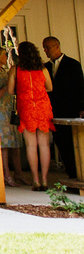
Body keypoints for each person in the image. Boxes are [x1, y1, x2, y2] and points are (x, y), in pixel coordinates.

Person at [11, 40, 55, 191]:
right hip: (42, 107)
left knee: (31, 145)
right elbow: (50, 87)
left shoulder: (16, 69)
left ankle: (35, 180)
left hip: (26, 107)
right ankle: (44, 180)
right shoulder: (42, 68)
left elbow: (11, 90)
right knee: (44, 145)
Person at [43, 37, 83, 179]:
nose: (45, 51)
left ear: (57, 46)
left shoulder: (73, 64)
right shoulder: (45, 67)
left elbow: (80, 87)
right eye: (44, 48)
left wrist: (81, 108)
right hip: (53, 110)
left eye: (48, 47)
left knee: (74, 142)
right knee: (60, 141)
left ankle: (79, 172)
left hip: (71, 108)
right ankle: (71, 173)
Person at [0, 46, 23, 187]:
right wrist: (7, 87)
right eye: (4, 54)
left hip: (11, 109)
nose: (6, 57)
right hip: (0, 111)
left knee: (15, 143)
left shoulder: (3, 71)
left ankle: (19, 173)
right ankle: (6, 174)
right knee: (4, 145)